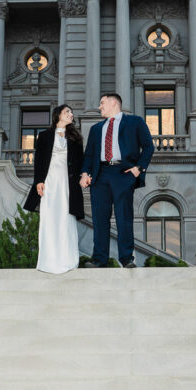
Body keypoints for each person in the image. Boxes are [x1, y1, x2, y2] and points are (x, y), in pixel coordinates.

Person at [80, 93, 154, 268]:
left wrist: (138, 169)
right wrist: (84, 173)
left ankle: (127, 259)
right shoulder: (96, 129)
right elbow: (89, 155)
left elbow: (149, 146)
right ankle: (99, 260)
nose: (99, 107)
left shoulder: (135, 122)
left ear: (114, 103)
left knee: (124, 218)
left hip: (123, 173)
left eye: (102, 103)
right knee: (99, 219)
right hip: (100, 175)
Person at [23, 104, 84, 273]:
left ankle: (69, 260)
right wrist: (39, 181)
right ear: (58, 115)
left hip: (68, 183)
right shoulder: (44, 136)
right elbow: (39, 161)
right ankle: (48, 261)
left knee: (66, 218)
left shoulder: (76, 138)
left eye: (71, 112)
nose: (71, 114)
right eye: (67, 112)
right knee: (49, 219)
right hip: (49, 181)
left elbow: (80, 162)